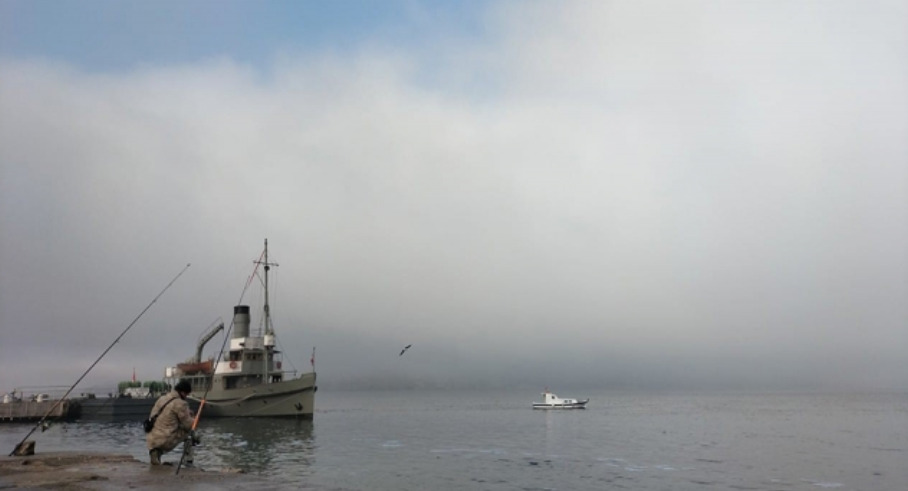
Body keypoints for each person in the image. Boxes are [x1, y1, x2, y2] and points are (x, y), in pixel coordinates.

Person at [145, 379, 194, 465]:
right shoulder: (181, 404)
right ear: (183, 392)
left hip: (151, 439)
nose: (186, 396)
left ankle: (156, 453)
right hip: (163, 440)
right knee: (189, 433)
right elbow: (189, 425)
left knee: (167, 427)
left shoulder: (162, 398)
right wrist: (193, 417)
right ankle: (188, 460)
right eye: (187, 394)